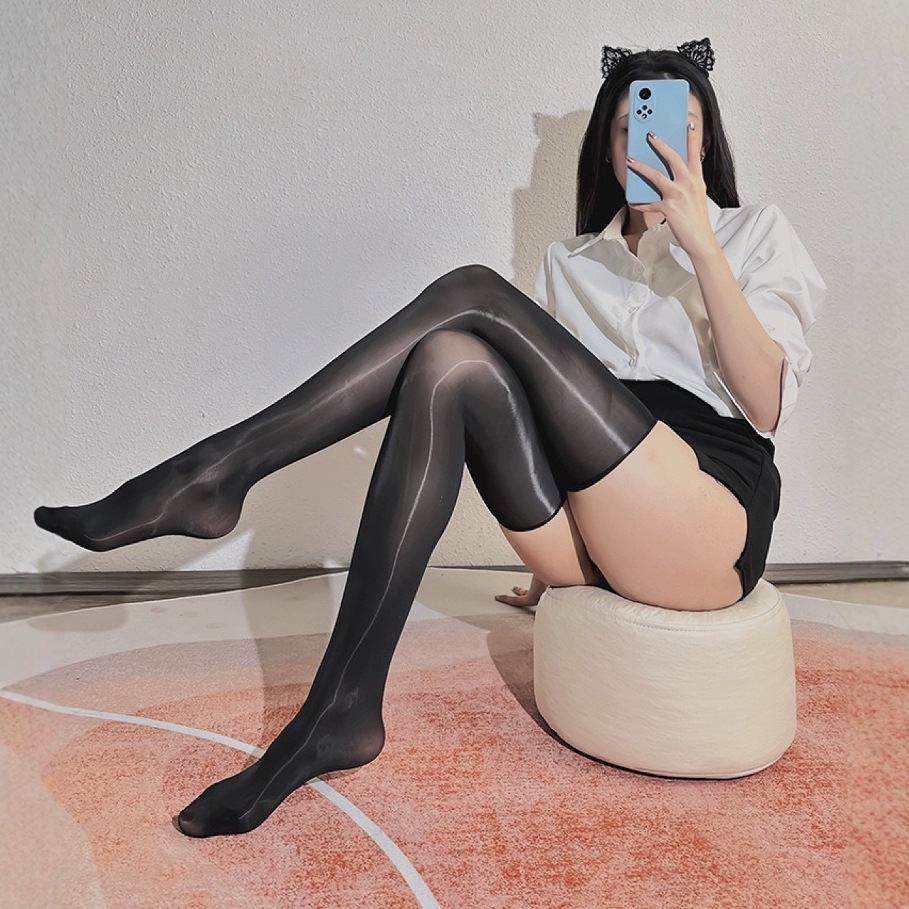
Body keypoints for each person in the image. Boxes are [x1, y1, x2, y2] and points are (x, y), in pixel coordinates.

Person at [33, 37, 825, 837]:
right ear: (607, 146)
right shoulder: (571, 261)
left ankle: (214, 473)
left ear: (704, 142)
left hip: (701, 517)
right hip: (589, 531)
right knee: (447, 363)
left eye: (676, 127)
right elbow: (560, 420)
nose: (651, 143)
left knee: (473, 292)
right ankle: (341, 706)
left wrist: (700, 245)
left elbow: (763, 404)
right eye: (629, 128)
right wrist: (545, 580)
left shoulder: (754, 233)